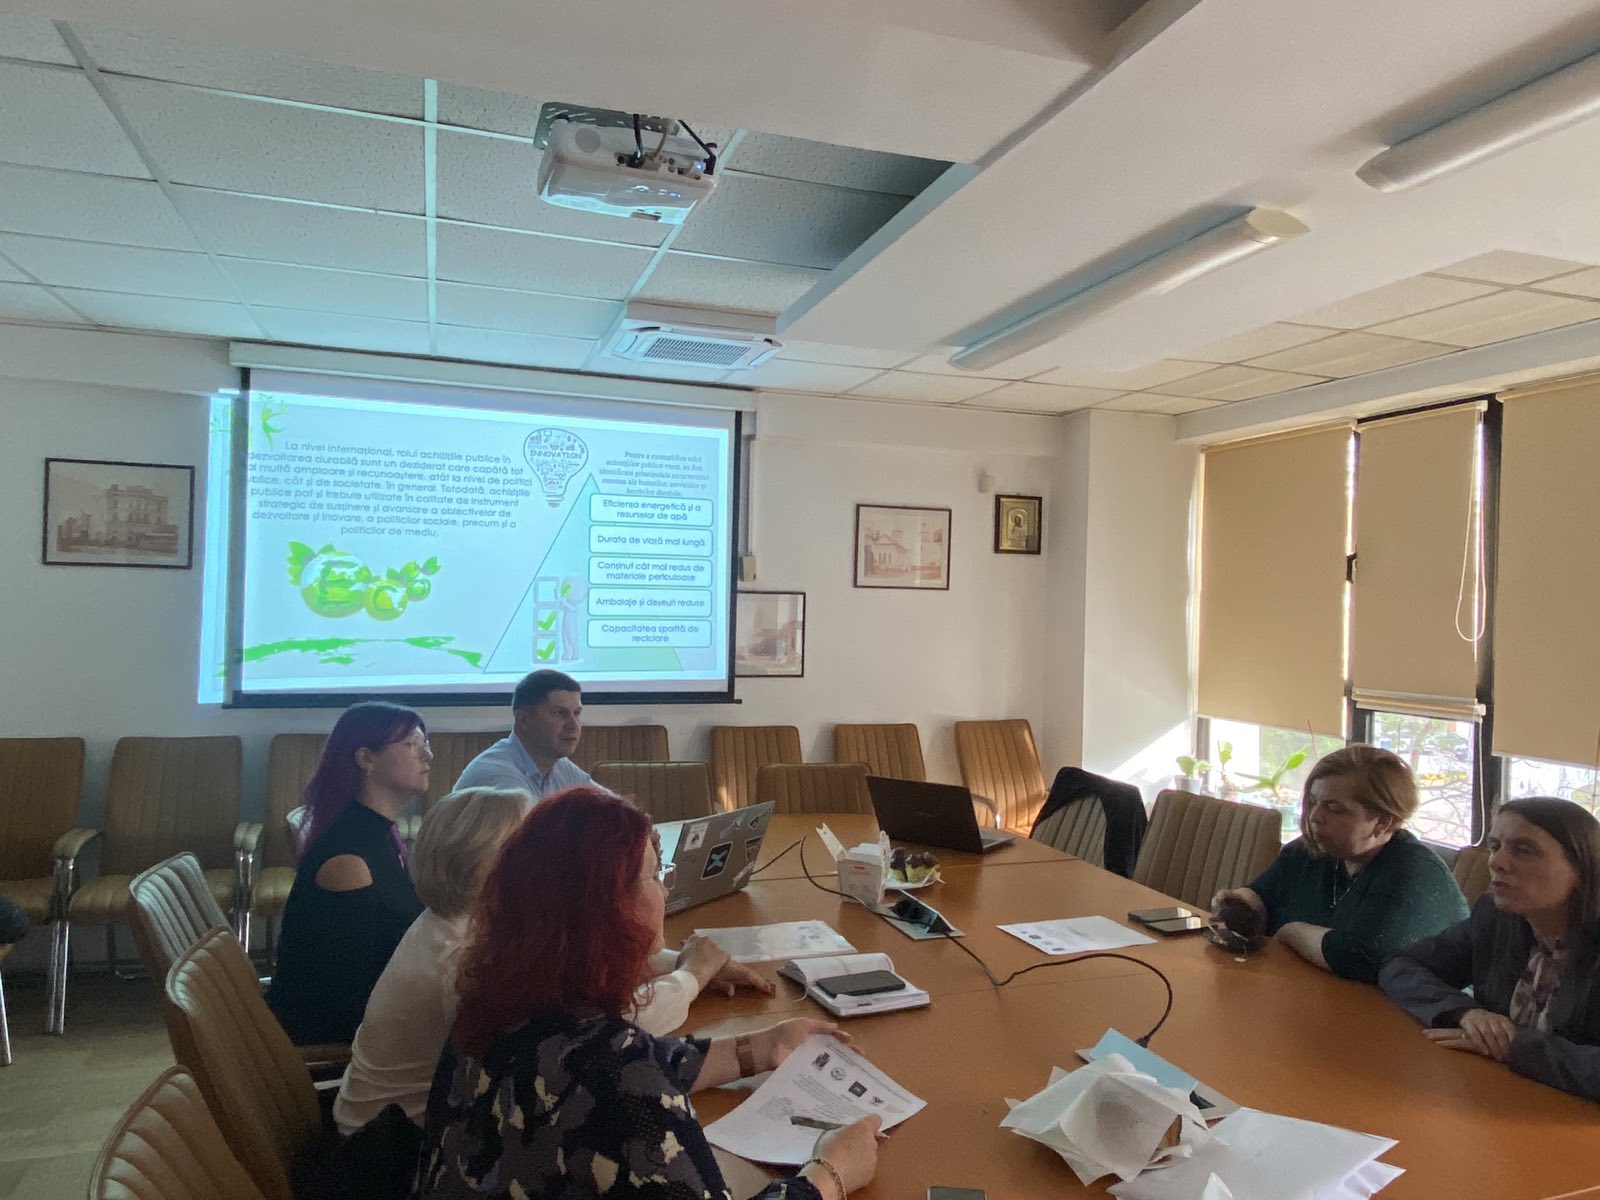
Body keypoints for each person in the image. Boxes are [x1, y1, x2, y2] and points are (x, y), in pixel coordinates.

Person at [413, 787, 881, 1200]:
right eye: (656, 876)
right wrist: (830, 1174)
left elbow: (620, 1067)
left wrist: (762, 1046)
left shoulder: (494, 1006)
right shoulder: (617, 1072)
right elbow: (621, 1075)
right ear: (609, 908)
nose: (665, 892)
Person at [335, 787, 774, 1136]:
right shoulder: (460, 958)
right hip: (403, 1148)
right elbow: (604, 1037)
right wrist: (693, 975)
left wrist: (687, 962)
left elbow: (575, 976)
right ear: (489, 865)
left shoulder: (469, 923)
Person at [1380, 797, 1600, 1101]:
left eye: (1523, 850)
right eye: (1495, 846)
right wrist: (1465, 1013)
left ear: (1582, 866)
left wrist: (1515, 1045)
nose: (1496, 862)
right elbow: (1401, 966)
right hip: (1499, 1092)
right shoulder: (1495, 917)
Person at [1211, 745, 1466, 982]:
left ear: (1382, 822)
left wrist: (1290, 932)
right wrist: (1240, 905)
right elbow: (1262, 895)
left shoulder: (1413, 871)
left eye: (1334, 808)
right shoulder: (1313, 849)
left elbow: (1358, 958)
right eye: (1313, 802)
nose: (1315, 817)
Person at [268, 702, 430, 1046]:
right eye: (411, 745)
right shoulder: (348, 861)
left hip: (373, 1023)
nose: (427, 756)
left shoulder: (376, 833)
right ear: (366, 759)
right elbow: (346, 1002)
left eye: (425, 744)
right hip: (338, 1050)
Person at [454, 669, 594, 798]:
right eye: (560, 713)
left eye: (577, 713)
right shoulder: (499, 779)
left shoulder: (559, 765)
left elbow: (604, 806)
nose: (573, 725)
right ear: (523, 719)